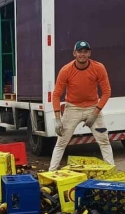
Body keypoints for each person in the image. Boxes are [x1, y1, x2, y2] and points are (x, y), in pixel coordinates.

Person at [49, 40, 114, 171]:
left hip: (92, 108)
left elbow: (107, 92)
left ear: (89, 53)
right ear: (74, 53)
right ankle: (51, 172)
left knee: (104, 140)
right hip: (72, 108)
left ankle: (111, 170)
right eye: (79, 52)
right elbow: (56, 94)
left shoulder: (98, 68)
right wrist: (57, 119)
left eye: (85, 52)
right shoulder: (66, 70)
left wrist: (95, 114)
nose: (82, 54)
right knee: (61, 142)